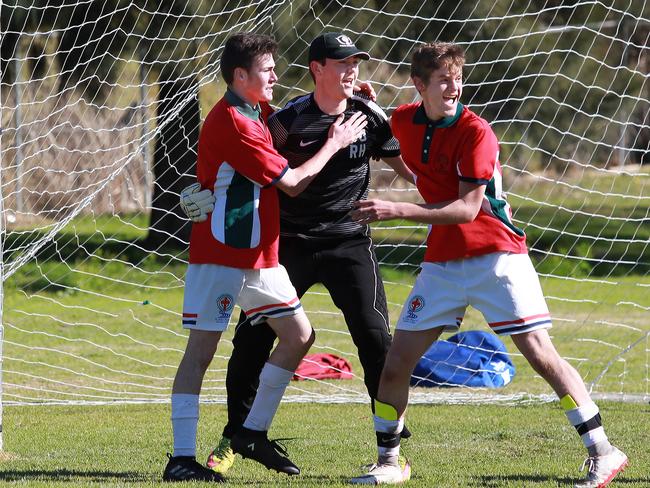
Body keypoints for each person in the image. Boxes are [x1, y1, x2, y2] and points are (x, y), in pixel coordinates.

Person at [348, 42, 628, 487]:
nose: (454, 87)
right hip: (443, 261)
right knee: (396, 363)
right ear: (420, 86)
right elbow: (409, 163)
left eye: (458, 79)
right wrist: (368, 106)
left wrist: (397, 210)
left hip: (496, 255)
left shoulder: (477, 131)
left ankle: (604, 451)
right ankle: (389, 461)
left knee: (539, 353)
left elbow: (465, 208)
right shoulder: (404, 120)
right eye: (443, 80)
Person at [180, 32, 415, 476]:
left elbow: (408, 168)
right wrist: (202, 190)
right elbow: (244, 156)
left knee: (376, 340)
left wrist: (461, 196)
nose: (352, 71)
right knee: (251, 340)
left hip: (348, 241)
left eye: (356, 63)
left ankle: (390, 450)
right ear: (317, 68)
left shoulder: (368, 115)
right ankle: (237, 436)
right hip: (289, 240)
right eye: (342, 63)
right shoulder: (285, 120)